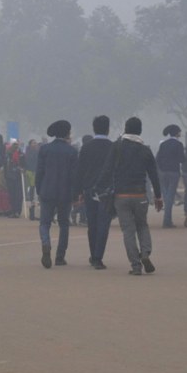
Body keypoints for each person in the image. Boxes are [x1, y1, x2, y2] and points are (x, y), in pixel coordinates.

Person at [96, 117, 163, 275]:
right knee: (142, 225)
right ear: (140, 130)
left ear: (125, 128)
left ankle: (135, 265)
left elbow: (107, 169)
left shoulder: (117, 147)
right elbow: (154, 175)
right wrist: (158, 196)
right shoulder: (145, 149)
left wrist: (98, 188)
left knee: (128, 230)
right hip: (140, 195)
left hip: (121, 195)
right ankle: (145, 253)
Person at [36, 120, 78, 268]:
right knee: (64, 223)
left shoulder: (45, 149)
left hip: (47, 190)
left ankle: (46, 244)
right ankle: (60, 256)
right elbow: (74, 176)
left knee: (44, 223)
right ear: (67, 133)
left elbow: (39, 172)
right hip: (65, 193)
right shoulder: (72, 151)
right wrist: (76, 194)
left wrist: (38, 189)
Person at [77, 115, 113, 269]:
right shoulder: (113, 147)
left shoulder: (86, 146)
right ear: (108, 128)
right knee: (104, 223)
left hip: (89, 189)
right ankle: (98, 257)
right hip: (107, 190)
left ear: (94, 128)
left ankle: (93, 254)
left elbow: (80, 170)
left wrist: (79, 190)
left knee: (92, 224)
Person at [156, 124, 185, 228]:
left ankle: (167, 220)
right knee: (170, 196)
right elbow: (182, 159)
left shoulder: (163, 144)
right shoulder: (179, 144)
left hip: (163, 172)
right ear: (177, 133)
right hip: (173, 172)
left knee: (166, 195)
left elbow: (158, 158)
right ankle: (167, 221)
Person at [4, 139, 24, 218]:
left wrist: (23, 168)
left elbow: (24, 163)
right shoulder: (7, 154)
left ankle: (17, 211)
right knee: (12, 195)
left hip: (18, 176)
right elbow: (5, 165)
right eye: (14, 144)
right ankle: (13, 210)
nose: (15, 146)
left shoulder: (21, 154)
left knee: (18, 195)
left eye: (16, 144)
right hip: (10, 177)